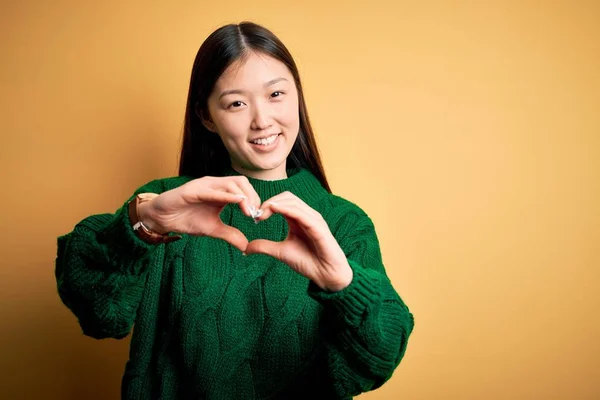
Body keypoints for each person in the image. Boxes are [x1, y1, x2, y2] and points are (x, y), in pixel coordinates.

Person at [55, 21, 414, 400]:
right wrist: (141, 225)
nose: (262, 120)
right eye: (236, 103)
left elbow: (378, 360)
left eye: (276, 94)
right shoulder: (164, 204)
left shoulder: (345, 223)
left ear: (297, 97)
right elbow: (98, 312)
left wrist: (343, 283)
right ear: (207, 116)